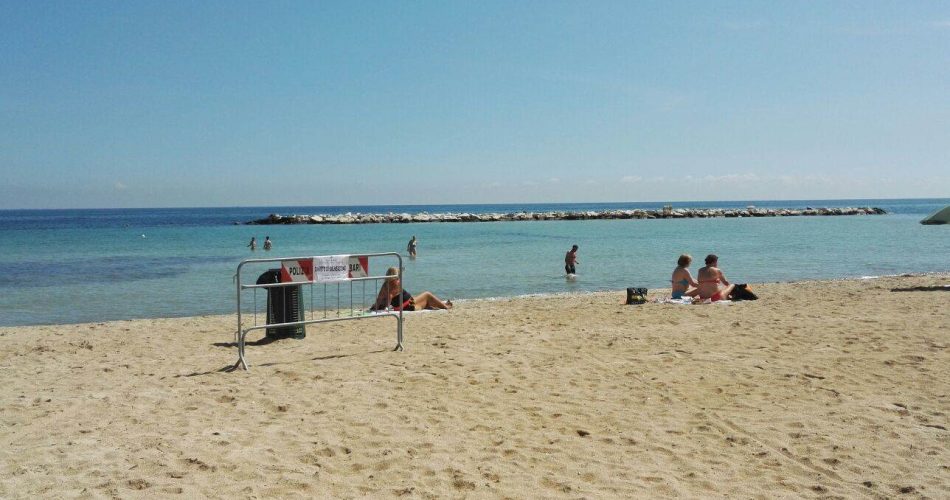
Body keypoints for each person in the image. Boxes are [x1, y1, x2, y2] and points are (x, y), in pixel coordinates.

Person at [370, 267, 452, 311]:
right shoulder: (395, 283)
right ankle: (446, 307)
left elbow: (379, 298)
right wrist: (386, 308)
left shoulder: (385, 284)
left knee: (424, 300)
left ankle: (440, 305)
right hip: (409, 306)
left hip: (406, 304)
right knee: (427, 294)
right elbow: (390, 296)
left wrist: (376, 307)